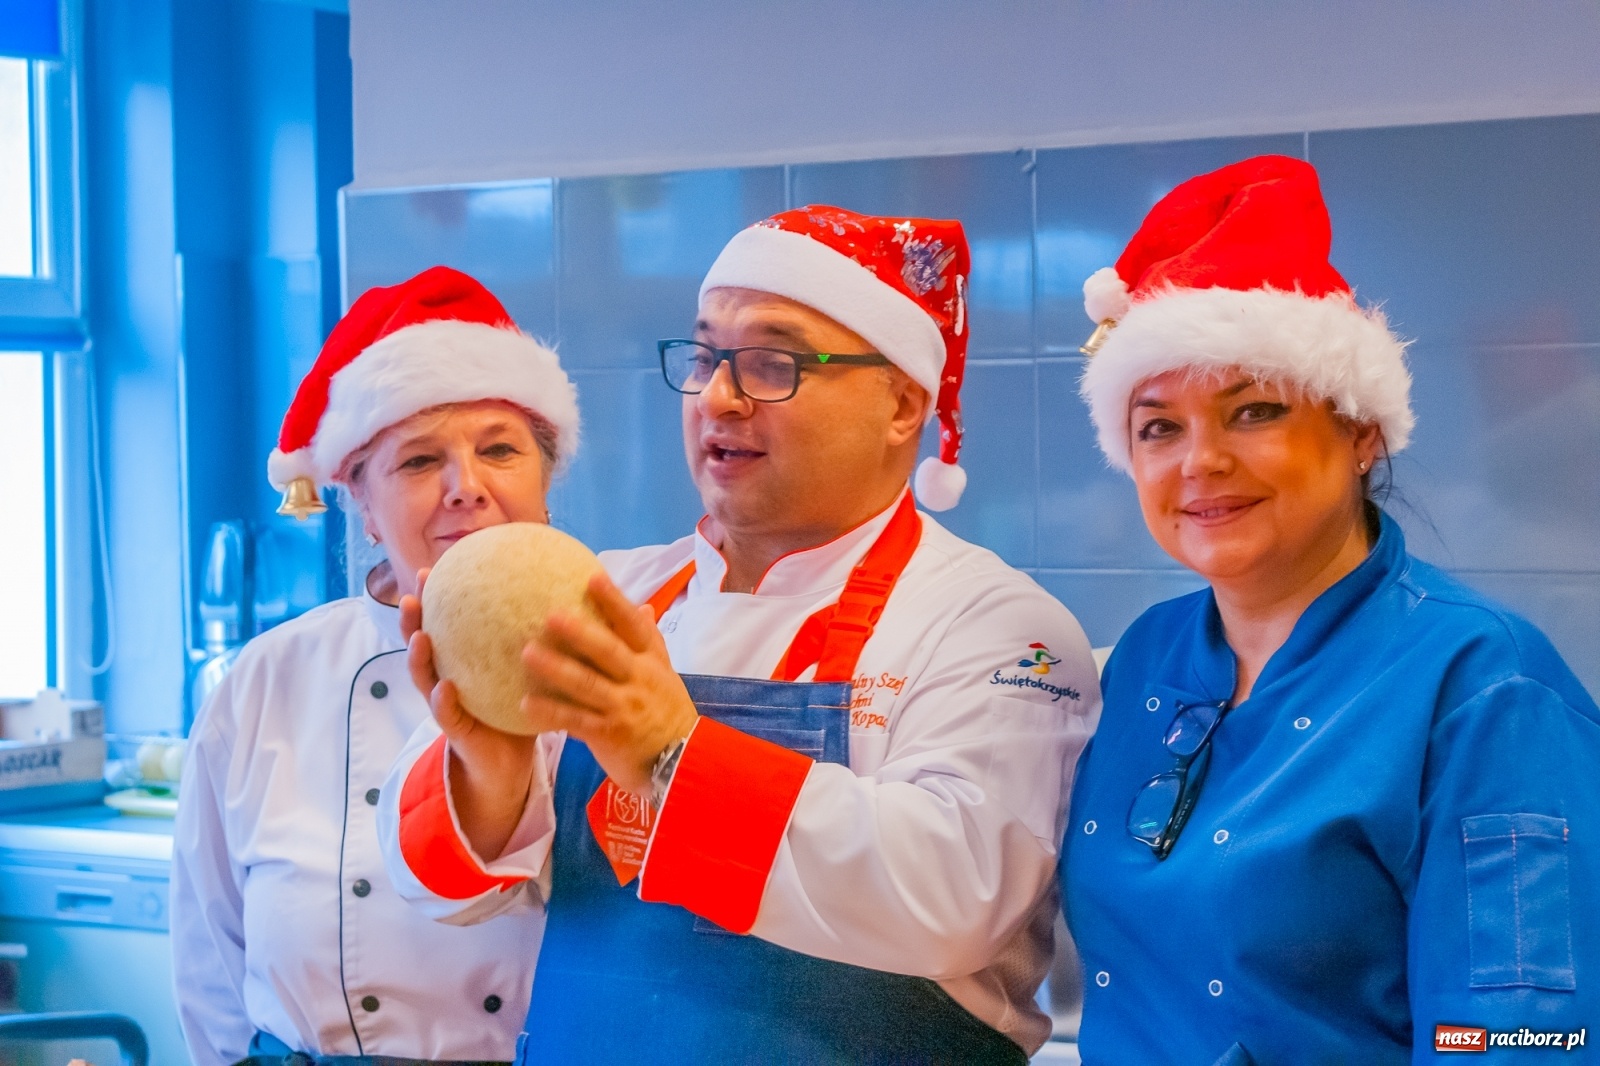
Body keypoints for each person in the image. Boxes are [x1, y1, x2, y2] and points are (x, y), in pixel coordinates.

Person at [377, 206, 1101, 1064]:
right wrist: (488, 771)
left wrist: (669, 752)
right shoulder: (606, 594)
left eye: (771, 364)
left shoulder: (996, 627)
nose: (718, 397)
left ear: (903, 404)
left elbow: (955, 898)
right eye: (705, 359)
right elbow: (440, 891)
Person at [1058, 155, 1600, 1064]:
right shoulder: (1148, 655)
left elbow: (1518, 1037)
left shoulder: (1483, 687)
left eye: (1254, 412)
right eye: (1159, 426)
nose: (1200, 462)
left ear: (1361, 432)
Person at [171, 266, 581, 1066]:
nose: (465, 488)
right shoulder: (269, 678)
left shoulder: (614, 668)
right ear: (362, 502)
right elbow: (209, 958)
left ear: (544, 481)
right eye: (420, 462)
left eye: (500, 450)